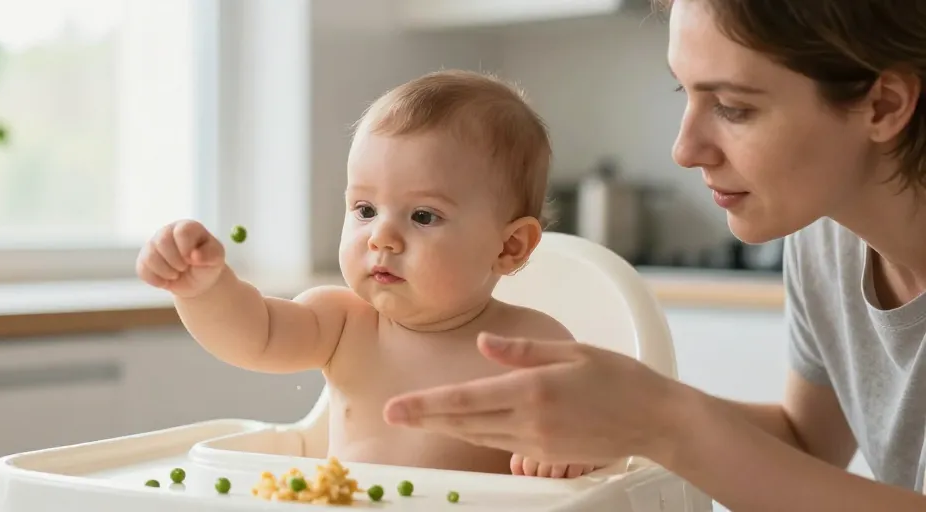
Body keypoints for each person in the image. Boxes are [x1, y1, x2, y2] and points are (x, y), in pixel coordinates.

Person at [380, 0, 926, 510]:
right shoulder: (826, 240)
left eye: (734, 108)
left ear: (884, 105)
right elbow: (804, 444)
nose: (684, 149)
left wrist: (667, 423)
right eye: (684, 94)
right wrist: (622, 414)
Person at [136, 69, 596, 478]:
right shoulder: (341, 322)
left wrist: (573, 451)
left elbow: (605, 437)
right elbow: (255, 335)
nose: (382, 237)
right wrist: (206, 290)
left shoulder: (535, 349)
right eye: (365, 209)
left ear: (509, 246)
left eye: (423, 216)